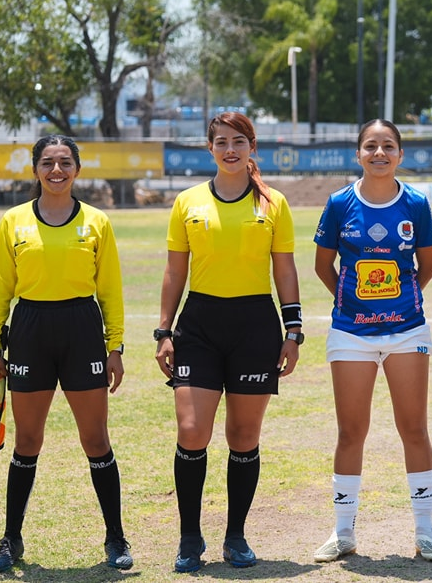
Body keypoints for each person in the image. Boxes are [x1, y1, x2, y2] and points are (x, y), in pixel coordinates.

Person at [154, 111, 302, 572]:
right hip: (199, 323)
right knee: (192, 430)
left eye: (239, 140)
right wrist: (164, 331)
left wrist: (292, 331)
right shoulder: (188, 202)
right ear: (210, 148)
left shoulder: (272, 203)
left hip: (255, 325)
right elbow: (176, 270)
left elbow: (284, 270)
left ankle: (235, 536)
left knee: (243, 435)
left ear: (252, 146)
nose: (230, 149)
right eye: (221, 141)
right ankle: (189, 537)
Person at [0, 135, 132, 572]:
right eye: (47, 162)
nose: (56, 170)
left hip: (82, 331)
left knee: (95, 439)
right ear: (35, 170)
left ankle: (116, 538)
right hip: (29, 330)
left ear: (77, 169)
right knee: (27, 441)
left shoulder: (97, 222)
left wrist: (115, 346)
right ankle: (11, 540)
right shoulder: (13, 221)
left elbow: (110, 290)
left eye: (65, 162)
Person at [311, 119, 432, 562]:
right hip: (351, 333)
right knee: (351, 431)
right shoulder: (338, 203)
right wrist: (353, 303)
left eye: (388, 146)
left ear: (400, 155)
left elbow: (426, 267)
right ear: (358, 154)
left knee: (414, 429)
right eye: (371, 146)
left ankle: (425, 531)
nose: (379, 153)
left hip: (407, 330)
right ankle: (343, 532)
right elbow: (322, 266)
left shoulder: (417, 204)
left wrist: (397, 304)